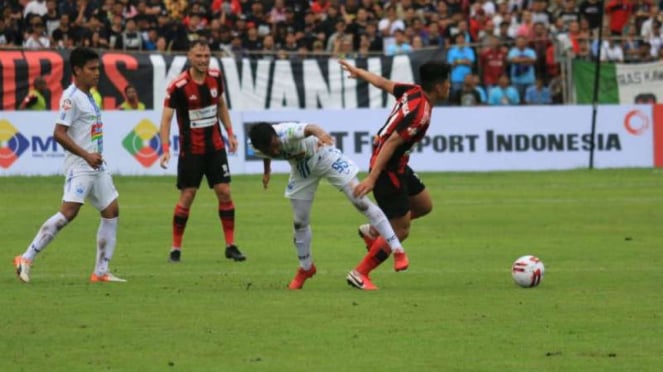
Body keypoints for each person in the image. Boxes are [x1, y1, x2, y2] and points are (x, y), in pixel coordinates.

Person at [248, 122, 408, 290]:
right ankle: (306, 268)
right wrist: (267, 171)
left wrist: (322, 135)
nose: (274, 151)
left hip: (325, 157)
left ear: (276, 136)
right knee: (299, 222)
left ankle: (397, 250)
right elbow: (264, 154)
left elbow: (310, 128)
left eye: (275, 145)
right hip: (302, 171)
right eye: (268, 150)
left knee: (360, 201)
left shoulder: (287, 133)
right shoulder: (256, 146)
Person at [13, 47, 125, 283]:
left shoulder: (91, 96)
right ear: (77, 70)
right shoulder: (71, 97)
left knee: (111, 210)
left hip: (96, 164)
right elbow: (59, 134)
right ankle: (26, 257)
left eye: (98, 69)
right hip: (81, 165)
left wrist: (93, 156)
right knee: (68, 213)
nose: (97, 74)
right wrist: (86, 155)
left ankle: (101, 271)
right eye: (92, 69)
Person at [338, 60, 451, 290]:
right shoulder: (421, 115)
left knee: (423, 205)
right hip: (387, 168)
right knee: (401, 228)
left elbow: (383, 83)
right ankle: (360, 273)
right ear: (439, 87)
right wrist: (372, 178)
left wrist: (359, 72)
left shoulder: (413, 91)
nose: (450, 87)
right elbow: (391, 143)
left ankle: (374, 231)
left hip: (398, 164)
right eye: (448, 83)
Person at [159, 40, 245, 263]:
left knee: (224, 191)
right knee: (188, 196)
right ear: (190, 56)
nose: (204, 60)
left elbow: (221, 105)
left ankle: (231, 245)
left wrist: (230, 132)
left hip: (215, 148)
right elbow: (166, 119)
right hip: (191, 152)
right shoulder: (178, 86)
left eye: (207, 56)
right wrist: (166, 149)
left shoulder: (216, 77)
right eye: (199, 56)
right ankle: (175, 248)